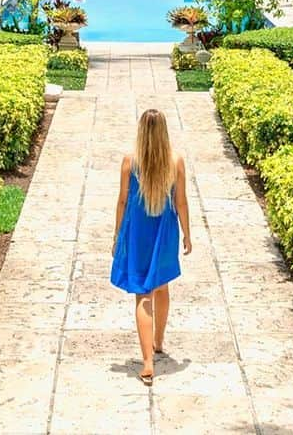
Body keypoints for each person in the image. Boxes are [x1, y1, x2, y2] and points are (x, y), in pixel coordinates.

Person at [110, 108, 192, 385]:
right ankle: (158, 341)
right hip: (165, 230)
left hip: (138, 233)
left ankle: (147, 362)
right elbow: (181, 202)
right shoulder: (176, 161)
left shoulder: (129, 162)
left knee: (142, 294)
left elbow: (122, 201)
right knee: (162, 284)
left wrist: (117, 235)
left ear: (141, 133)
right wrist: (187, 234)